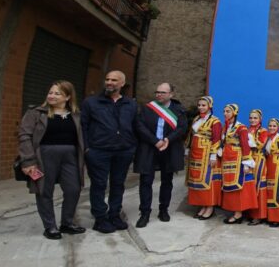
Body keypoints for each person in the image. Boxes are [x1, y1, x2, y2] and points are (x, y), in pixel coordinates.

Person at [18, 80, 85, 239]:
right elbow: (24, 136)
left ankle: (67, 223)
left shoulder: (76, 115)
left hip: (70, 156)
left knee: (73, 189)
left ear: (67, 97)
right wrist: (28, 161)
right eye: (50, 92)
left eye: (57, 93)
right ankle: (50, 227)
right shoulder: (36, 112)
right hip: (44, 156)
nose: (52, 96)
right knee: (44, 190)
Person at [81, 70, 138, 234]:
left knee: (118, 184)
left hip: (123, 151)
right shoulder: (91, 103)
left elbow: (135, 126)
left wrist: (132, 146)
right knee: (99, 184)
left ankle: (114, 214)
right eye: (107, 79)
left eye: (114, 80)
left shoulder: (130, 104)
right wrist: (87, 148)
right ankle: (100, 218)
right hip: (98, 151)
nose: (109, 82)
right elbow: (83, 126)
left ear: (122, 84)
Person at [134, 82, 187, 228]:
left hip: (169, 148)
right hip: (149, 148)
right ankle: (144, 212)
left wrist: (168, 139)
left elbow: (182, 128)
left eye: (163, 92)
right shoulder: (147, 108)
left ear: (171, 94)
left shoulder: (179, 109)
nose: (159, 94)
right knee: (146, 181)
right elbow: (139, 126)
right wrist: (155, 141)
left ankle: (163, 209)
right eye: (157, 92)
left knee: (167, 181)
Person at [186, 96, 222, 220]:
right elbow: (191, 135)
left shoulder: (215, 121)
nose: (201, 107)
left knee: (208, 181)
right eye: (199, 105)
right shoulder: (196, 118)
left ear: (209, 106)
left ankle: (210, 207)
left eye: (204, 105)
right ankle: (202, 205)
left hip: (207, 154)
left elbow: (217, 138)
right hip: (195, 153)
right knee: (196, 180)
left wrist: (213, 155)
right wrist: (188, 149)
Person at [219, 103, 256, 224]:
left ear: (234, 113)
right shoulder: (226, 127)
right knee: (229, 184)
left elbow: (245, 145)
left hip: (238, 158)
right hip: (227, 158)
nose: (225, 113)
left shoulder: (241, 128)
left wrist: (246, 162)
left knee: (239, 185)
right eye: (224, 111)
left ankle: (238, 213)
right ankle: (234, 210)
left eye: (228, 111)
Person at [246, 109, 269, 224]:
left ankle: (259, 215)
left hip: (258, 160)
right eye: (251, 118)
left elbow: (259, 145)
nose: (252, 120)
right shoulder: (247, 129)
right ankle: (250, 212)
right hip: (248, 159)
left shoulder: (264, 131)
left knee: (258, 185)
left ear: (260, 119)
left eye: (255, 118)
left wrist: (248, 139)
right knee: (249, 186)